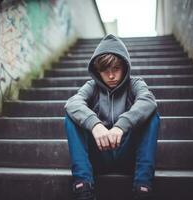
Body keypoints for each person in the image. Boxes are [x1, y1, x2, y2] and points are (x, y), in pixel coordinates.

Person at [64, 34, 160, 200]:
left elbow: (148, 100)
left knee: (152, 115)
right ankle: (83, 188)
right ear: (97, 71)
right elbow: (73, 103)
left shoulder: (135, 83)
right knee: (71, 117)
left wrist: (120, 126)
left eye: (115, 69)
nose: (111, 76)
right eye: (105, 71)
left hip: (128, 156)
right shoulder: (92, 87)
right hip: (99, 157)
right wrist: (95, 125)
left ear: (125, 66)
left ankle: (143, 187)